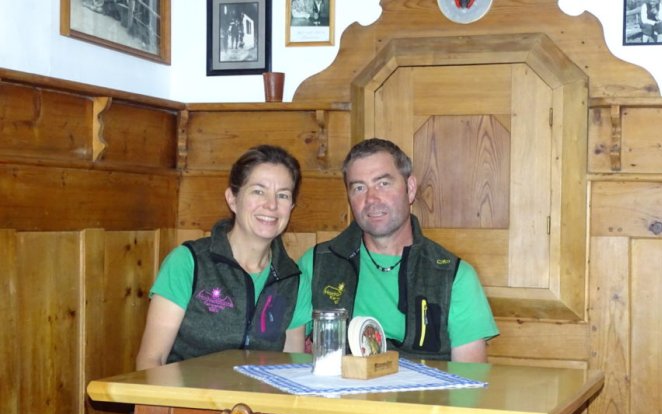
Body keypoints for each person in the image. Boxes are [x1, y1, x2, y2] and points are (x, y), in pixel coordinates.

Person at [297, 138, 499, 363]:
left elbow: (469, 383)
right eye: (359, 187)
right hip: (338, 396)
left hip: (423, 397)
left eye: (383, 184)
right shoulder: (317, 264)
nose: (371, 198)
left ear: (410, 189)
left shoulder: (454, 276)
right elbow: (289, 362)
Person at [136, 145, 309, 371]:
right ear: (232, 199)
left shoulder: (294, 281)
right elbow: (151, 361)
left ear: (291, 207)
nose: (272, 204)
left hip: (260, 404)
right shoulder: (188, 262)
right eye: (258, 191)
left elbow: (291, 370)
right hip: (185, 402)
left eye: (283, 195)